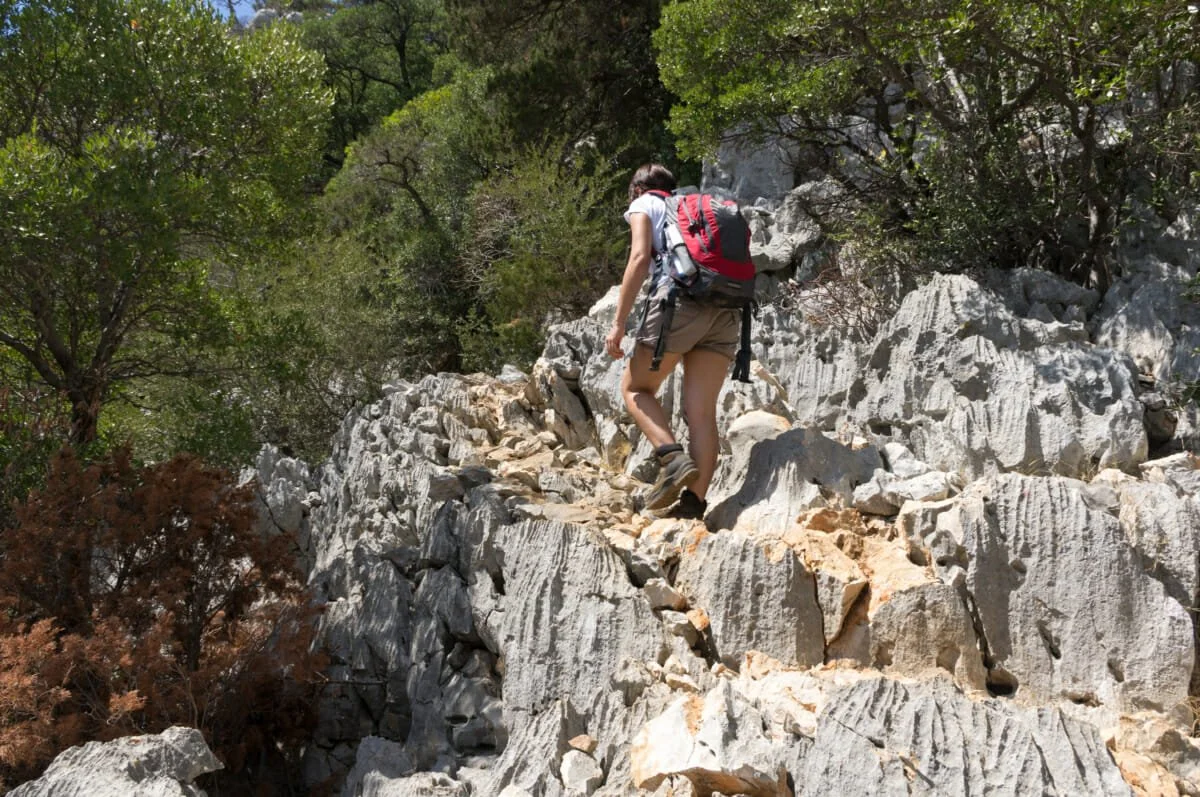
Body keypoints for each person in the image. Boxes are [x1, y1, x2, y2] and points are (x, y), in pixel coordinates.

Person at [604, 164, 741, 520]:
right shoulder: (692, 209)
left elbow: (638, 257)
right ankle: (693, 506)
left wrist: (618, 323)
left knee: (635, 390)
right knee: (701, 414)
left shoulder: (644, 204)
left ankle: (672, 458)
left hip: (680, 307)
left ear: (637, 189)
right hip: (726, 309)